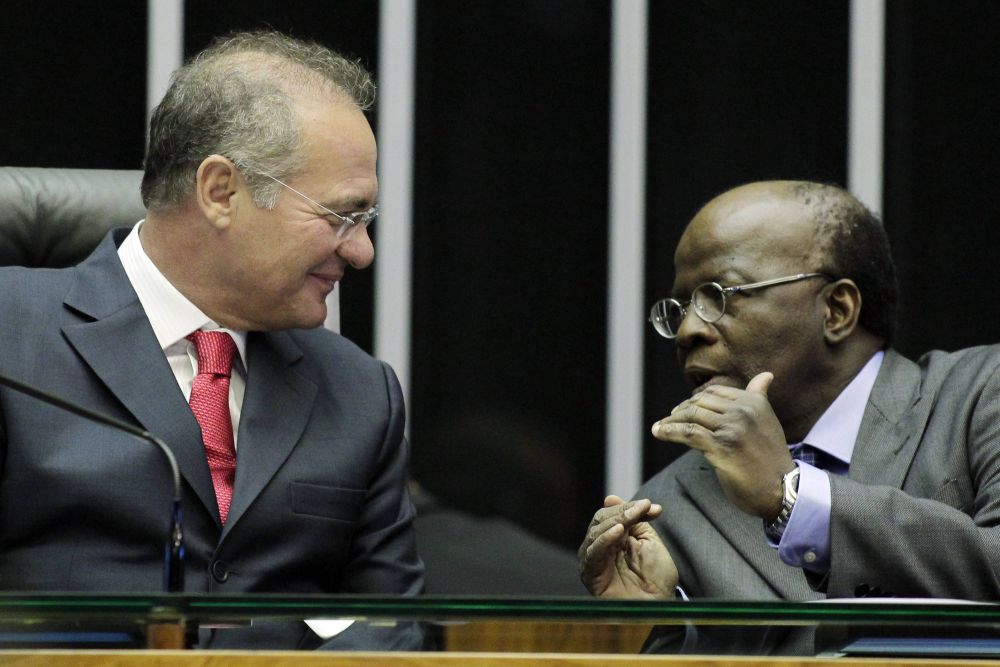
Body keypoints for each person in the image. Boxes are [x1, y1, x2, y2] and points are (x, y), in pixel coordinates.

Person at [0, 31, 424, 650]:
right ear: (221, 191)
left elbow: (391, 630)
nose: (361, 251)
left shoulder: (361, 392)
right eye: (340, 216)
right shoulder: (13, 337)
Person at [578, 180, 1000, 653]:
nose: (688, 331)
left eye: (718, 296)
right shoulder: (665, 509)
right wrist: (645, 626)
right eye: (680, 308)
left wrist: (794, 497)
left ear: (837, 310)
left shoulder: (981, 397)